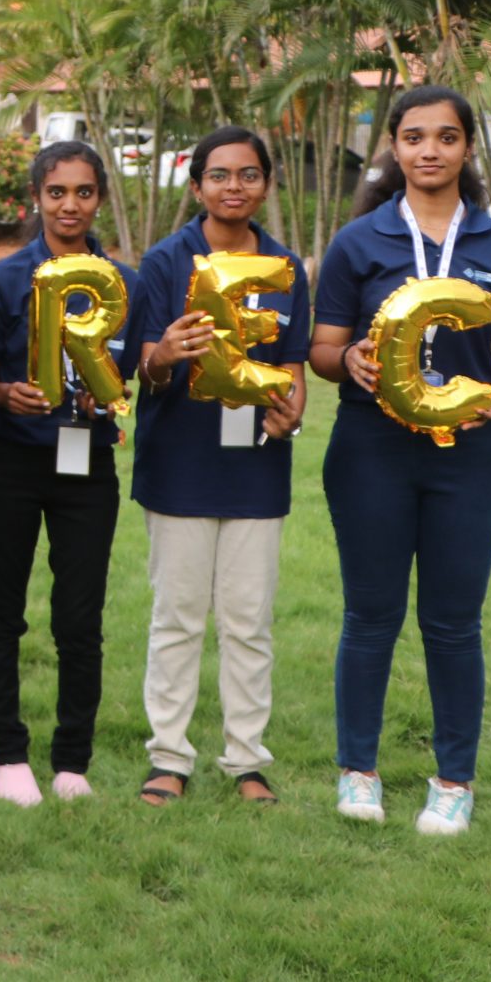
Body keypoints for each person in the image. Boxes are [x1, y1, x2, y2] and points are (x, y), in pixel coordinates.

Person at [309, 84, 491, 836]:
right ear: (394, 147)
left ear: (468, 147)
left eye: (445, 136)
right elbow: (322, 350)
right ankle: (358, 771)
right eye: (414, 137)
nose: (429, 150)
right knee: (369, 615)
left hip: (469, 456)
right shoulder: (358, 242)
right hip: (370, 451)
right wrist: (350, 358)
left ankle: (453, 781)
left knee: (454, 623)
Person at [130, 126, 308, 808]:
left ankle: (247, 759)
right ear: (197, 185)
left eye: (248, 175)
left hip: (256, 467)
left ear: (266, 183)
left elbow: (292, 365)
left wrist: (292, 410)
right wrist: (166, 354)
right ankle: (168, 757)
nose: (234, 187)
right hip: (180, 462)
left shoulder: (285, 266)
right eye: (220, 175)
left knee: (248, 620)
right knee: (177, 617)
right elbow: (145, 369)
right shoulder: (166, 261)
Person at [0, 141, 140, 807]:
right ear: (36, 197)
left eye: (84, 192)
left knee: (79, 618)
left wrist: (110, 398)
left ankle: (72, 760)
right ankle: (8, 754)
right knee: (2, 613)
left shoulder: (124, 282)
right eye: (57, 192)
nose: (70, 205)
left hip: (87, 465)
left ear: (100, 199)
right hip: (12, 461)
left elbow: (130, 375)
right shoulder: (2, 280)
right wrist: (3, 393)